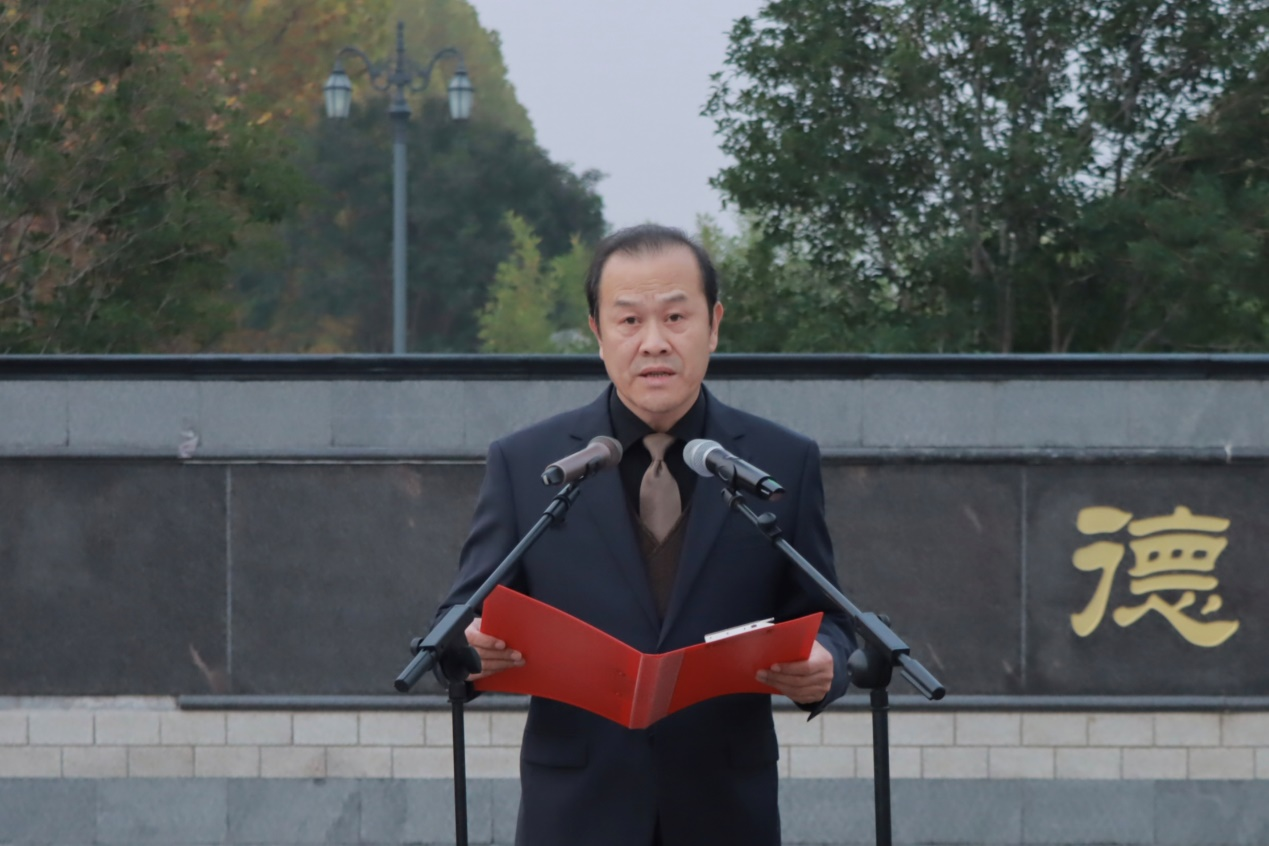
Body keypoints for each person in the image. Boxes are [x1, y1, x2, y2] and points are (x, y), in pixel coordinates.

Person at [435, 224, 855, 846]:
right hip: (576, 814)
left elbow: (830, 617)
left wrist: (828, 662)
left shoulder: (780, 461)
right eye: (629, 320)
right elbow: (456, 622)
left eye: (676, 317)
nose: (654, 342)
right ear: (598, 332)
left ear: (713, 325)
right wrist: (467, 647)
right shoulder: (527, 464)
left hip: (725, 811)